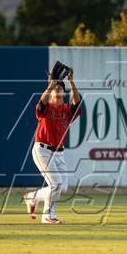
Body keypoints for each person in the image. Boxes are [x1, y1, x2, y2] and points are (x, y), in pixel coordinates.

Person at [23, 68, 81, 224]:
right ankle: (48, 215)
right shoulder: (46, 108)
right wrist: (50, 86)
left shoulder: (67, 110)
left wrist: (71, 82)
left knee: (62, 188)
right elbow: (41, 103)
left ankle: (32, 197)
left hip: (59, 153)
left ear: (64, 92)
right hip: (42, 150)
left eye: (61, 88)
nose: (58, 89)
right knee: (56, 184)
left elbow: (77, 103)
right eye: (56, 88)